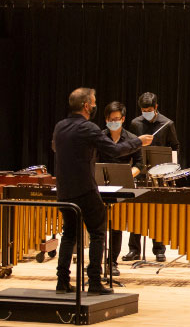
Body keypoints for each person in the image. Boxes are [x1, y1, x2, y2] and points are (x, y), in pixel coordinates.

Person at [52, 88, 152, 294]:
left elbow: (57, 149)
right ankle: (95, 282)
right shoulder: (88, 128)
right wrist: (138, 142)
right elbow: (115, 150)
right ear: (87, 106)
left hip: (63, 190)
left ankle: (62, 281)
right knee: (98, 233)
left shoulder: (60, 126)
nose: (95, 105)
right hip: (84, 189)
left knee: (69, 234)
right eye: (94, 102)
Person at [125, 92, 178, 263]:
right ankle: (134, 249)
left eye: (149, 109)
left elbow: (175, 147)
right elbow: (130, 146)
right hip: (139, 173)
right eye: (143, 110)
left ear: (156, 107)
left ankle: (159, 249)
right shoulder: (135, 123)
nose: (146, 112)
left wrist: (171, 168)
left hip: (160, 174)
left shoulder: (167, 124)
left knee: (158, 213)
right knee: (136, 212)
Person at [99, 101, 144, 277]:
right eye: (110, 119)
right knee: (100, 227)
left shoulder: (132, 138)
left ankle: (112, 262)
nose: (113, 122)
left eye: (116, 119)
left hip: (121, 187)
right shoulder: (99, 137)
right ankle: (99, 261)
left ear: (123, 119)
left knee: (115, 226)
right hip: (101, 186)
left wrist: (130, 174)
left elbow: (140, 164)